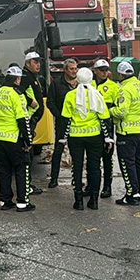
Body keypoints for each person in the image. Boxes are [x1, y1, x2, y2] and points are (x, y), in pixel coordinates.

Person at [0, 66, 35, 212]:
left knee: (4, 171)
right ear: (17, 79)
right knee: (21, 169)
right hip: (14, 139)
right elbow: (23, 120)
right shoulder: (17, 94)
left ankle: (5, 201)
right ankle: (23, 202)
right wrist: (28, 141)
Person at [61, 67, 107, 210]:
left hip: (76, 137)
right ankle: (94, 200)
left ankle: (78, 201)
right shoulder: (97, 95)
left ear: (77, 79)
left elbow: (65, 119)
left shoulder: (70, 96)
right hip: (94, 136)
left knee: (77, 167)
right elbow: (105, 118)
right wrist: (108, 138)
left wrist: (62, 139)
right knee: (95, 168)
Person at [110, 61, 140, 206]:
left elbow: (121, 112)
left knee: (127, 164)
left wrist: (110, 111)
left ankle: (131, 194)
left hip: (127, 133)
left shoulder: (124, 89)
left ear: (121, 75)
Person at [45, 58, 78, 188]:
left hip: (77, 124)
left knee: (76, 152)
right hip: (62, 124)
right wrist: (59, 116)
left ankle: (76, 179)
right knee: (58, 151)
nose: (74, 71)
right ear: (65, 70)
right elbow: (50, 102)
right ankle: (54, 178)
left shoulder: (81, 84)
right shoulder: (56, 84)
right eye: (71, 69)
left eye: (76, 68)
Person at [92, 59, 120, 199]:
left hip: (107, 127)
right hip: (91, 128)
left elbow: (118, 106)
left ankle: (107, 186)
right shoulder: (89, 85)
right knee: (92, 159)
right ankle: (91, 185)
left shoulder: (113, 86)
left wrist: (107, 111)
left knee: (107, 158)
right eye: (101, 70)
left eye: (106, 70)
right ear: (95, 71)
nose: (104, 73)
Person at [20, 51, 45, 196]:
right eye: (35, 62)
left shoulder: (33, 77)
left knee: (29, 151)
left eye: (39, 62)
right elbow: (18, 91)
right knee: (27, 152)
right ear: (28, 64)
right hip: (28, 119)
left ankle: (27, 183)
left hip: (32, 119)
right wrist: (31, 102)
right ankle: (27, 184)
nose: (38, 64)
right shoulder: (25, 77)